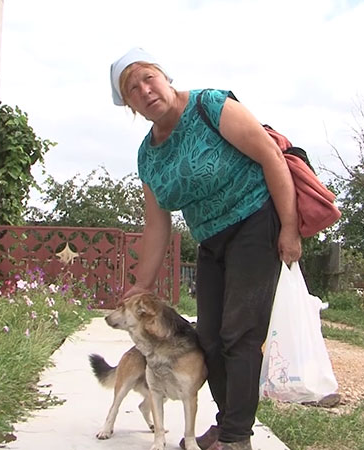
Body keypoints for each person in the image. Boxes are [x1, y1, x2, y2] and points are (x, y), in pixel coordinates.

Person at [111, 47, 301, 450]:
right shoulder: (148, 155)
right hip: (212, 240)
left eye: (148, 78)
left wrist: (288, 227)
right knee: (209, 338)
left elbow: (270, 156)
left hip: (255, 221)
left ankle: (235, 438)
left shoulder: (209, 105)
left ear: (165, 77)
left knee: (240, 334)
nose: (145, 90)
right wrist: (141, 285)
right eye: (132, 89)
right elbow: (156, 222)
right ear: (127, 104)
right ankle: (227, 423)